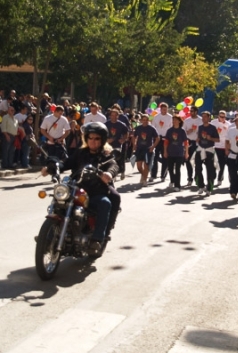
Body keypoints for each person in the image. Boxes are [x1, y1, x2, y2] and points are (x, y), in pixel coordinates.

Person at [41, 122, 120, 257]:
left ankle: (98, 238)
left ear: (102, 140)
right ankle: (47, 236)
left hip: (96, 193)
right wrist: (51, 168)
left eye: (97, 138)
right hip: (77, 190)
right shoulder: (80, 153)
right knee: (59, 200)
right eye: (90, 138)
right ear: (86, 138)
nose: (93, 141)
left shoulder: (106, 156)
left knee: (105, 203)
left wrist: (107, 174)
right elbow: (66, 163)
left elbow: (113, 167)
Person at [195, 111, 220, 196]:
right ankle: (201, 186)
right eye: (202, 117)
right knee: (197, 168)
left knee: (210, 170)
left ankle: (209, 188)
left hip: (209, 150)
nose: (203, 118)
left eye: (205, 117)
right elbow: (199, 137)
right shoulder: (200, 127)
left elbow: (217, 140)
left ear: (209, 118)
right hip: (201, 149)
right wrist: (198, 139)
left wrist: (211, 138)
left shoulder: (212, 128)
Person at [132, 114, 160, 187]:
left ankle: (144, 180)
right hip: (139, 149)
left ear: (148, 120)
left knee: (146, 166)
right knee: (139, 166)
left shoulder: (151, 128)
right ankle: (143, 174)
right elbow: (134, 137)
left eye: (146, 120)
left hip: (148, 149)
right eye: (143, 120)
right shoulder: (138, 128)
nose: (145, 121)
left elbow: (157, 138)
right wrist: (134, 145)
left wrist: (153, 147)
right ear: (141, 120)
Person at [164, 114, 189, 192]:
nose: (174, 121)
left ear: (179, 121)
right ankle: (172, 180)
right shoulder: (169, 131)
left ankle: (177, 185)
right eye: (173, 120)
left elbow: (186, 142)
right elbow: (166, 142)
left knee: (177, 169)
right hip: (170, 152)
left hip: (179, 153)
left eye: (175, 120)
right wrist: (165, 151)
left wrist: (186, 152)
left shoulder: (182, 131)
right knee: (171, 169)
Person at [150, 102, 173, 182]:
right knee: (155, 157)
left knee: (165, 157)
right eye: (163, 109)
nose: (165, 111)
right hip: (157, 139)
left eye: (166, 109)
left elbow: (171, 129)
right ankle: (153, 175)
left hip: (166, 139)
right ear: (160, 109)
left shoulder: (170, 117)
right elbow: (153, 128)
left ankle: (163, 175)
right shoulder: (156, 117)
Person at [105, 108, 129, 179]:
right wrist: (107, 140)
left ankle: (122, 171)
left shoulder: (121, 124)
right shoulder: (106, 124)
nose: (113, 117)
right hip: (109, 145)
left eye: (115, 115)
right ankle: (113, 173)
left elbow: (126, 133)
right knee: (110, 159)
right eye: (112, 115)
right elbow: (103, 134)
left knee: (120, 159)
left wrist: (123, 139)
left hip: (118, 144)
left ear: (118, 116)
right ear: (110, 116)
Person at [183, 105, 203, 186]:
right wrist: (188, 131)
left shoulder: (200, 120)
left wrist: (199, 135)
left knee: (198, 162)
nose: (190, 113)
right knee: (188, 161)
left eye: (192, 111)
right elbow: (183, 132)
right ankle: (189, 178)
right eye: (190, 111)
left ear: (196, 112)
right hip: (189, 142)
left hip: (198, 143)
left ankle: (196, 177)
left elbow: (203, 131)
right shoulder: (187, 120)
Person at [211, 110, 231, 186]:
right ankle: (214, 176)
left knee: (222, 164)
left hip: (223, 147)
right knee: (214, 164)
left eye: (224, 117)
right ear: (218, 116)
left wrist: (228, 148)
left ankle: (219, 178)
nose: (222, 118)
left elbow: (229, 137)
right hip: (215, 146)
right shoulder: (213, 122)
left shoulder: (228, 124)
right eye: (221, 116)